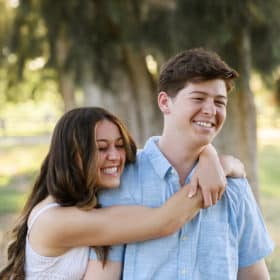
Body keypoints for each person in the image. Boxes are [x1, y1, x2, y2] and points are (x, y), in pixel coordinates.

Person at [85, 48, 274, 279]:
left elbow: (255, 275)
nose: (210, 110)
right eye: (198, 98)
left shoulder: (234, 187)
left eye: (220, 102)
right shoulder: (123, 180)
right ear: (165, 103)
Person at [0, 107, 243, 279]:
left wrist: (208, 154)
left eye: (119, 145)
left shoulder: (84, 202)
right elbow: (164, 221)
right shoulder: (54, 220)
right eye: (101, 148)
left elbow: (161, 154)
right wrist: (220, 168)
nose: (115, 156)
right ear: (72, 156)